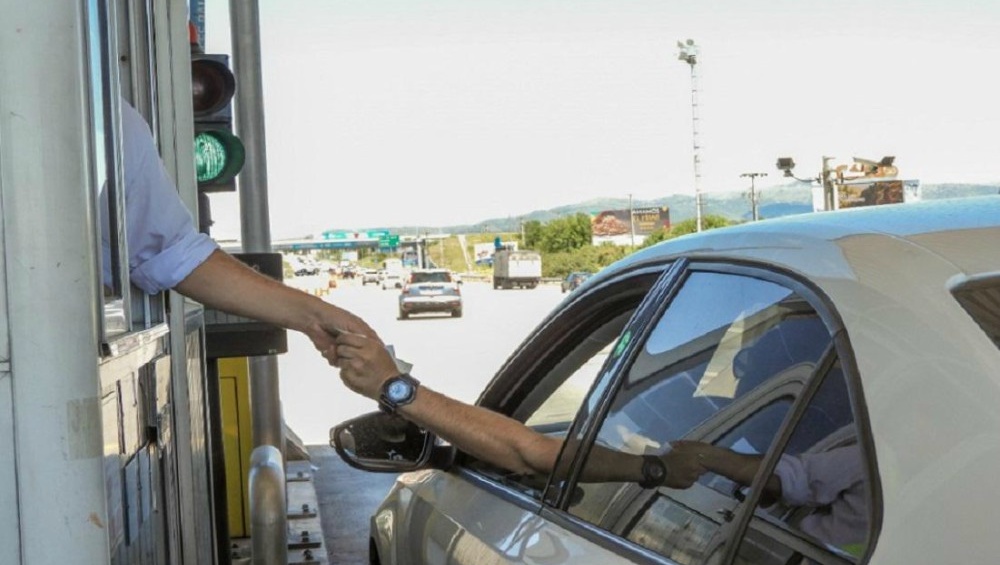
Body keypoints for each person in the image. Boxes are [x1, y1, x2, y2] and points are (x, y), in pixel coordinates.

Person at [329, 332, 868, 553]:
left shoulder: (859, 450)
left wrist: (392, 387)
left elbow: (526, 453)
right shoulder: (899, 438)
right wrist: (656, 468)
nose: (742, 365)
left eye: (753, 358)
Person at [113, 99, 373, 347]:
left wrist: (315, 317)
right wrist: (315, 316)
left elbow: (175, 256)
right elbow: (175, 257)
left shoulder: (112, 123)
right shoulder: (110, 121)